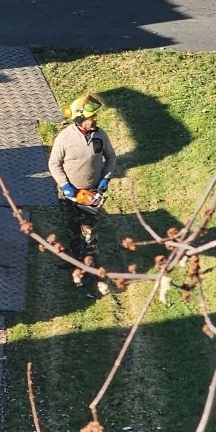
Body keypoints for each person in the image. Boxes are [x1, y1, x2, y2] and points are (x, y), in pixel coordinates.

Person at [48, 95, 120, 293]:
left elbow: (111, 158)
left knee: (90, 234)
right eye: (92, 116)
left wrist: (105, 178)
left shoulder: (100, 135)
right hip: (70, 196)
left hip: (91, 194)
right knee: (72, 228)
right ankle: (73, 260)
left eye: (95, 115)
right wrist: (65, 186)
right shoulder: (64, 138)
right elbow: (53, 164)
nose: (95, 119)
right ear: (80, 119)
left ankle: (89, 268)